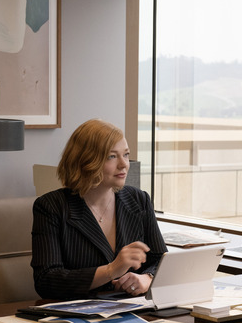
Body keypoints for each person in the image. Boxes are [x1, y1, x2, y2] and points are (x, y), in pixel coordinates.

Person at [32, 119, 167, 300]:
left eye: (126, 154)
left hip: (133, 310)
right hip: (77, 314)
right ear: (86, 160)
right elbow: (46, 281)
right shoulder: (51, 207)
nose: (124, 164)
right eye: (112, 156)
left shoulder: (139, 200)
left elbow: (160, 259)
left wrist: (146, 278)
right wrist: (111, 270)